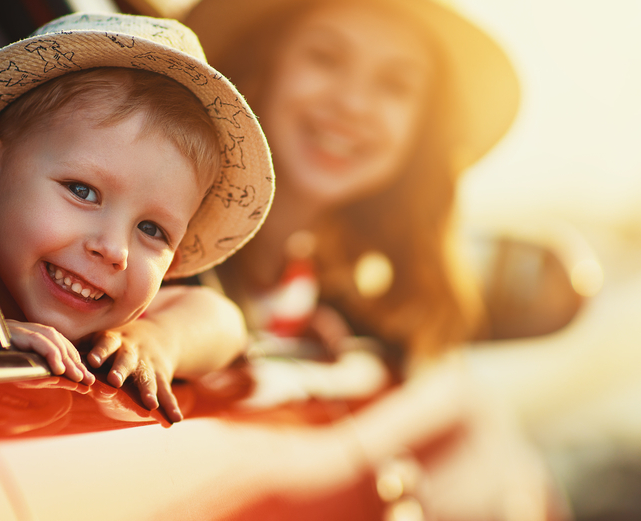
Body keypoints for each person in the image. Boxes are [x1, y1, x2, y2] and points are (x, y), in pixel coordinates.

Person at [183, 1, 562, 519]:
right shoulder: (152, 248)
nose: (354, 103)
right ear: (262, 65)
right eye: (325, 58)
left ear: (420, 133)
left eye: (395, 86)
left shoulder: (329, 303)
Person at [0, 13, 275, 422]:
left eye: (152, 230)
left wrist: (156, 339)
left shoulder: (108, 335)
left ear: (171, 265)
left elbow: (224, 322)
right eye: (82, 191)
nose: (114, 249)